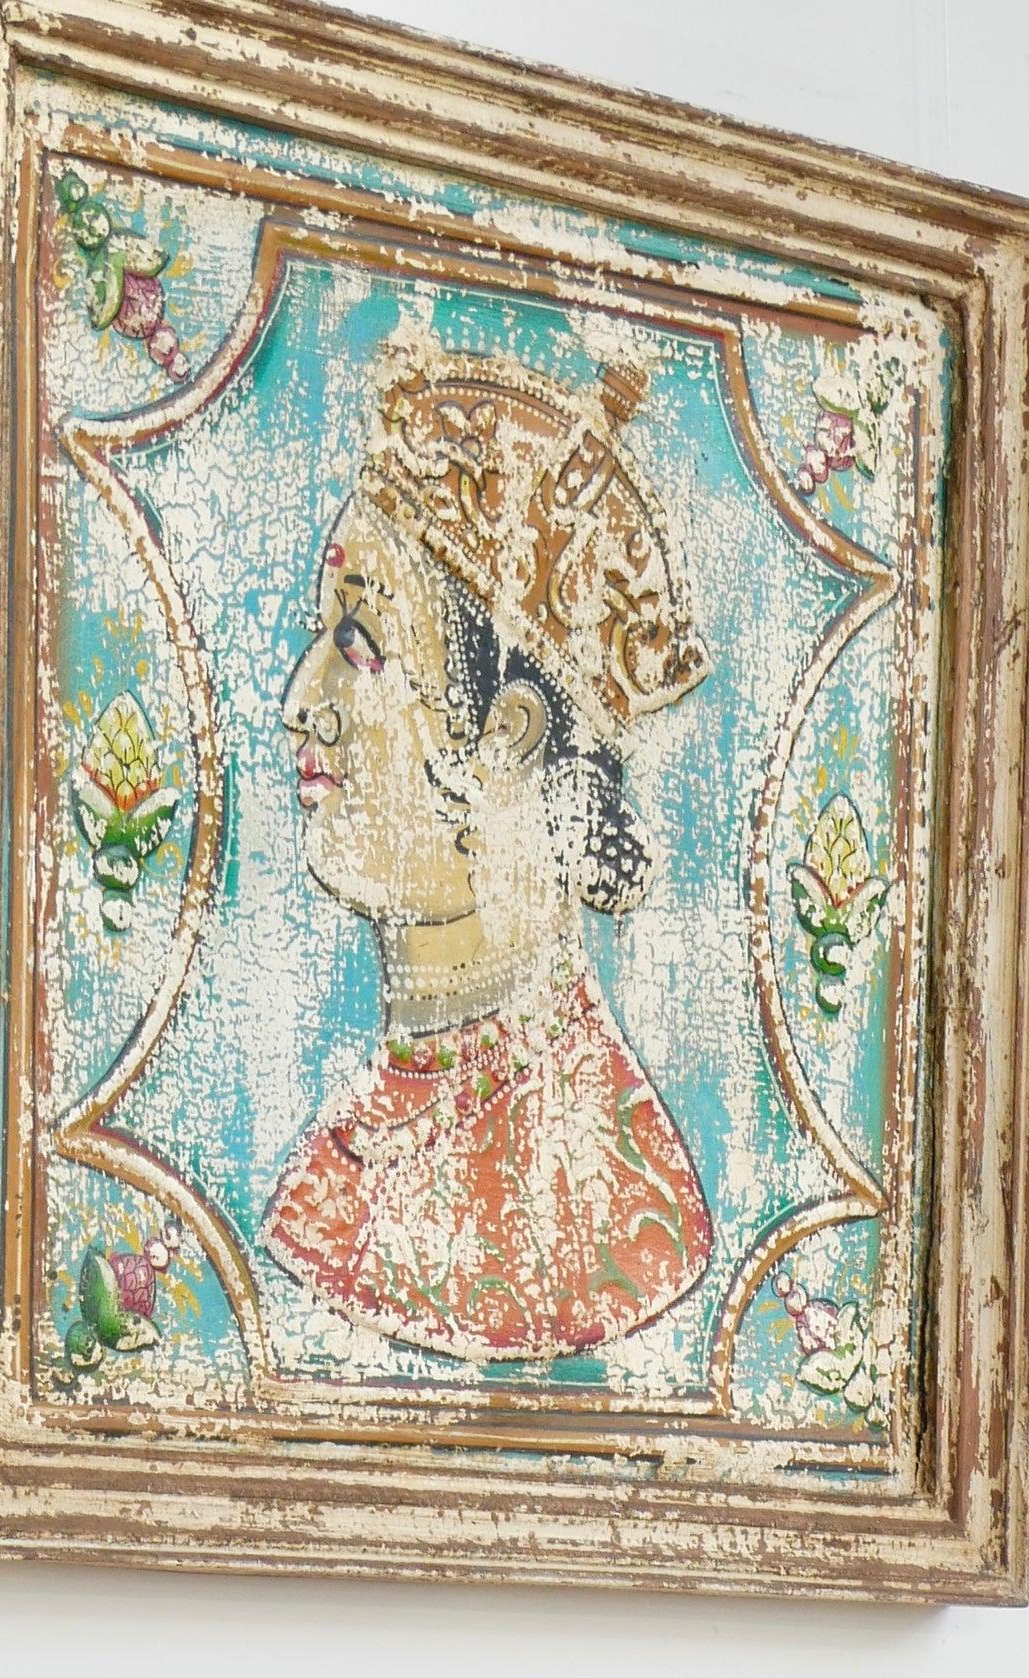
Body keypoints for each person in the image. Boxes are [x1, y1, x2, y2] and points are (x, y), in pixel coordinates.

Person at [266, 323, 716, 1363]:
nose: (301, 702)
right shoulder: (353, 1140)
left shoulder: (601, 1207)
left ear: (503, 736)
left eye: (356, 643)